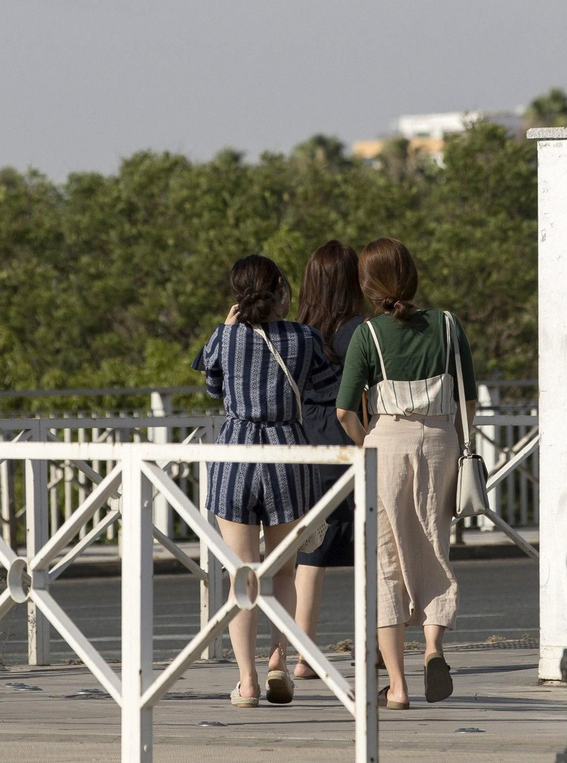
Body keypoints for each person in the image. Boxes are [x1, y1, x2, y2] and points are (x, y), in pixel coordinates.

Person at [193, 254, 340, 706]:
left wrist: (229, 329)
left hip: (235, 456)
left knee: (242, 575)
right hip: (286, 456)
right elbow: (323, 386)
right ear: (280, 288)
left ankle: (247, 680)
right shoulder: (305, 337)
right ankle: (279, 662)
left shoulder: (225, 335)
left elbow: (213, 388)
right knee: (283, 571)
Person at [335, 237, 474, 709]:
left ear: (368, 286)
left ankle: (396, 685)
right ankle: (434, 648)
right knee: (436, 546)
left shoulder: (367, 335)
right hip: (441, 442)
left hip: (387, 445)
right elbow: (468, 398)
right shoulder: (449, 325)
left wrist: (365, 446)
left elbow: (344, 412)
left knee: (385, 560)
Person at [290, 241, 367, 681]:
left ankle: (303, 655)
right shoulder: (359, 329)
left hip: (304, 441)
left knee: (310, 553)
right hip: (348, 438)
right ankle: (371, 647)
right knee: (369, 550)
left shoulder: (297, 329)